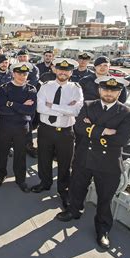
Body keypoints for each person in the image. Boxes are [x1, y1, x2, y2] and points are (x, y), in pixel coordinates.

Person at [56, 76, 130, 250]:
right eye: (105, 89)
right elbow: (78, 128)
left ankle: (102, 229)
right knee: (77, 187)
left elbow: (121, 140)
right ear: (100, 90)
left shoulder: (128, 113)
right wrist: (105, 131)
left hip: (108, 163)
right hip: (84, 157)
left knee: (105, 198)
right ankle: (74, 210)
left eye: (113, 90)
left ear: (119, 92)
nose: (109, 93)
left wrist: (91, 128)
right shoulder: (88, 105)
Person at [31, 59, 84, 209]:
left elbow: (76, 111)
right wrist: (65, 108)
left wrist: (52, 106)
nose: (63, 72)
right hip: (46, 129)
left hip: (66, 132)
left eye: (66, 70)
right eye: (60, 69)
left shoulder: (76, 89)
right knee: (44, 158)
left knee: (65, 162)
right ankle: (45, 183)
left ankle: (63, 190)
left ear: (71, 72)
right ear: (55, 70)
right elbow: (40, 108)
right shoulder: (46, 86)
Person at [0, 62, 37, 192]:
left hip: (22, 128)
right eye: (19, 73)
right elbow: (1, 109)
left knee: (20, 154)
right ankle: (0, 175)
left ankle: (21, 179)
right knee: (2, 152)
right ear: (13, 73)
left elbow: (30, 110)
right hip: (5, 126)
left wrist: (11, 104)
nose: (22, 76)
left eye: (25, 73)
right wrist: (22, 106)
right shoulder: (5, 88)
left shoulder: (31, 89)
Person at [16, 49, 40, 157]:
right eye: (20, 57)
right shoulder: (14, 67)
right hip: (17, 99)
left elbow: (32, 84)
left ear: (28, 57)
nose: (22, 59)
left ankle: (28, 146)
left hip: (29, 99)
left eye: (24, 56)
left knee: (28, 124)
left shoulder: (34, 69)